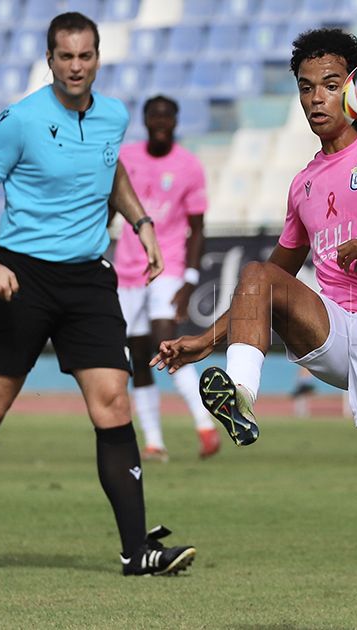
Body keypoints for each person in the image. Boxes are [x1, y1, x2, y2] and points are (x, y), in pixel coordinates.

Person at [152, 28, 357, 630]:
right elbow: (271, 280)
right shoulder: (303, 183)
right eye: (306, 88)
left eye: (330, 86)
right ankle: (241, 396)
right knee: (258, 270)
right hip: (335, 331)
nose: (315, 99)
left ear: (356, 87)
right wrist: (208, 338)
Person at [0, 12, 195, 577]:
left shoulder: (114, 115)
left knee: (114, 403)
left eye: (85, 56)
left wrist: (140, 223)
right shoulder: (21, 119)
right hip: (21, 277)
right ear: (50, 60)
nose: (75, 66)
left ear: (98, 57)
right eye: (65, 56)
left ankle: (136, 549)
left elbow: (110, 171)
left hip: (89, 278)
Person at [113, 94, 221, 462]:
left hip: (169, 266)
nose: (160, 122)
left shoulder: (189, 166)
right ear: (145, 120)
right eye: (153, 116)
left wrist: (189, 279)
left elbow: (198, 228)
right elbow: (109, 205)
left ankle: (205, 426)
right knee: (138, 356)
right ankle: (155, 441)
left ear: (175, 121)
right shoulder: (126, 158)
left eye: (166, 116)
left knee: (165, 341)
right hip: (128, 270)